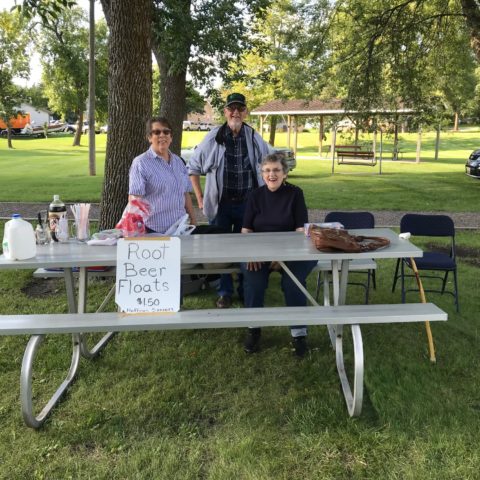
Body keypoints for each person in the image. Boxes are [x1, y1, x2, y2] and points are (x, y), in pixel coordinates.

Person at [188, 93, 270, 308]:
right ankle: (224, 291)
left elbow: (270, 161)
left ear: (245, 112)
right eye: (231, 108)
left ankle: (245, 288)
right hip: (221, 204)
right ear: (225, 112)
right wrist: (199, 197)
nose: (235, 113)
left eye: (240, 109)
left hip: (248, 204)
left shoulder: (253, 136)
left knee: (246, 247)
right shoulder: (214, 136)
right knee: (221, 248)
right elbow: (193, 168)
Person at [241, 153, 316, 357]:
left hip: (292, 251)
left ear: (285, 173)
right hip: (258, 251)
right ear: (261, 173)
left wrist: (281, 257)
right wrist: (252, 253)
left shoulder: (295, 193)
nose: (271, 174)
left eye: (276, 170)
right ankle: (253, 329)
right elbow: (246, 230)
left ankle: (299, 334)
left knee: (293, 283)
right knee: (254, 282)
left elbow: (300, 230)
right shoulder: (255, 195)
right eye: (267, 170)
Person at [129, 116, 196, 233]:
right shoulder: (140, 163)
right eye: (156, 132)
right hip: (153, 231)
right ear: (149, 137)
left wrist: (194, 219)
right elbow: (135, 199)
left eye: (166, 132)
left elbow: (185, 194)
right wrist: (135, 229)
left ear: (171, 137)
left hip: (180, 229)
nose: (162, 135)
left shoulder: (178, 162)